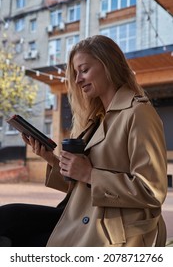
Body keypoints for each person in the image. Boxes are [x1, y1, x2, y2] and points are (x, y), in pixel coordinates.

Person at [0, 35, 167, 247]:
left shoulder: (138, 113)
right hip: (83, 216)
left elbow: (152, 192)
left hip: (114, 231)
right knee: (6, 218)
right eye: (76, 73)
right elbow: (82, 186)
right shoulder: (96, 119)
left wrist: (89, 174)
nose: (78, 80)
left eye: (84, 70)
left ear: (108, 66)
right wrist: (51, 159)